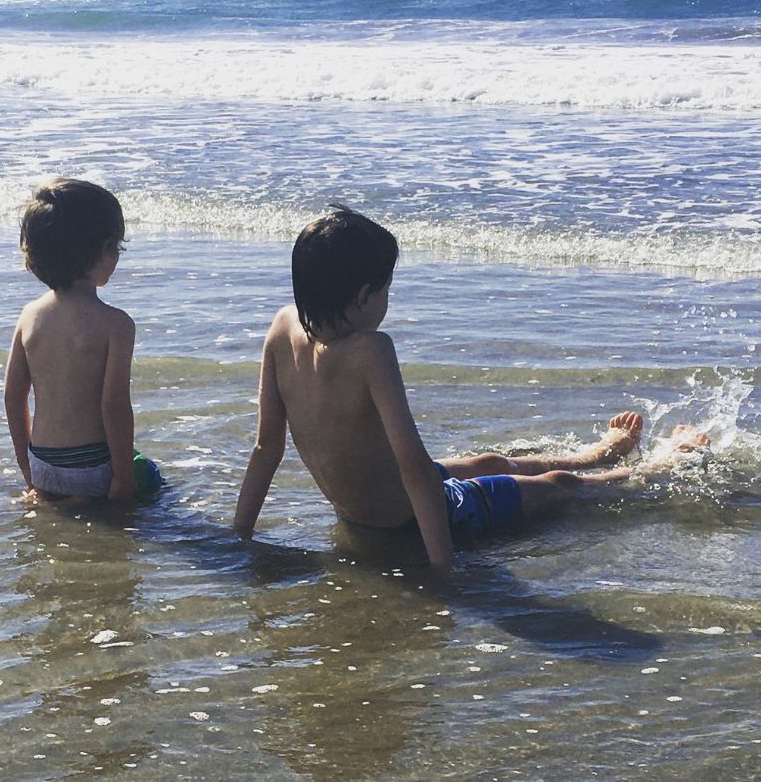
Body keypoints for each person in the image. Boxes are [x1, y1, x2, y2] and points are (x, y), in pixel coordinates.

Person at [233, 206, 690, 576]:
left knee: (488, 463)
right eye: (386, 291)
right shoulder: (370, 350)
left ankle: (602, 451)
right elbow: (412, 464)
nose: (387, 304)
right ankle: (670, 460)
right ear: (363, 296)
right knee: (559, 486)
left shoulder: (281, 326)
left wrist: (240, 537)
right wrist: (442, 564)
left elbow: (266, 446)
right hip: (416, 518)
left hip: (361, 510)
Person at [4, 178, 162, 503]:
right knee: (152, 476)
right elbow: (115, 407)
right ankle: (92, 501)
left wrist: (29, 470)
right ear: (102, 252)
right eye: (115, 248)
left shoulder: (29, 316)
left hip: (43, 466)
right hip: (92, 469)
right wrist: (122, 478)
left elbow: (12, 395)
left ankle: (51, 497)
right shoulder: (116, 325)